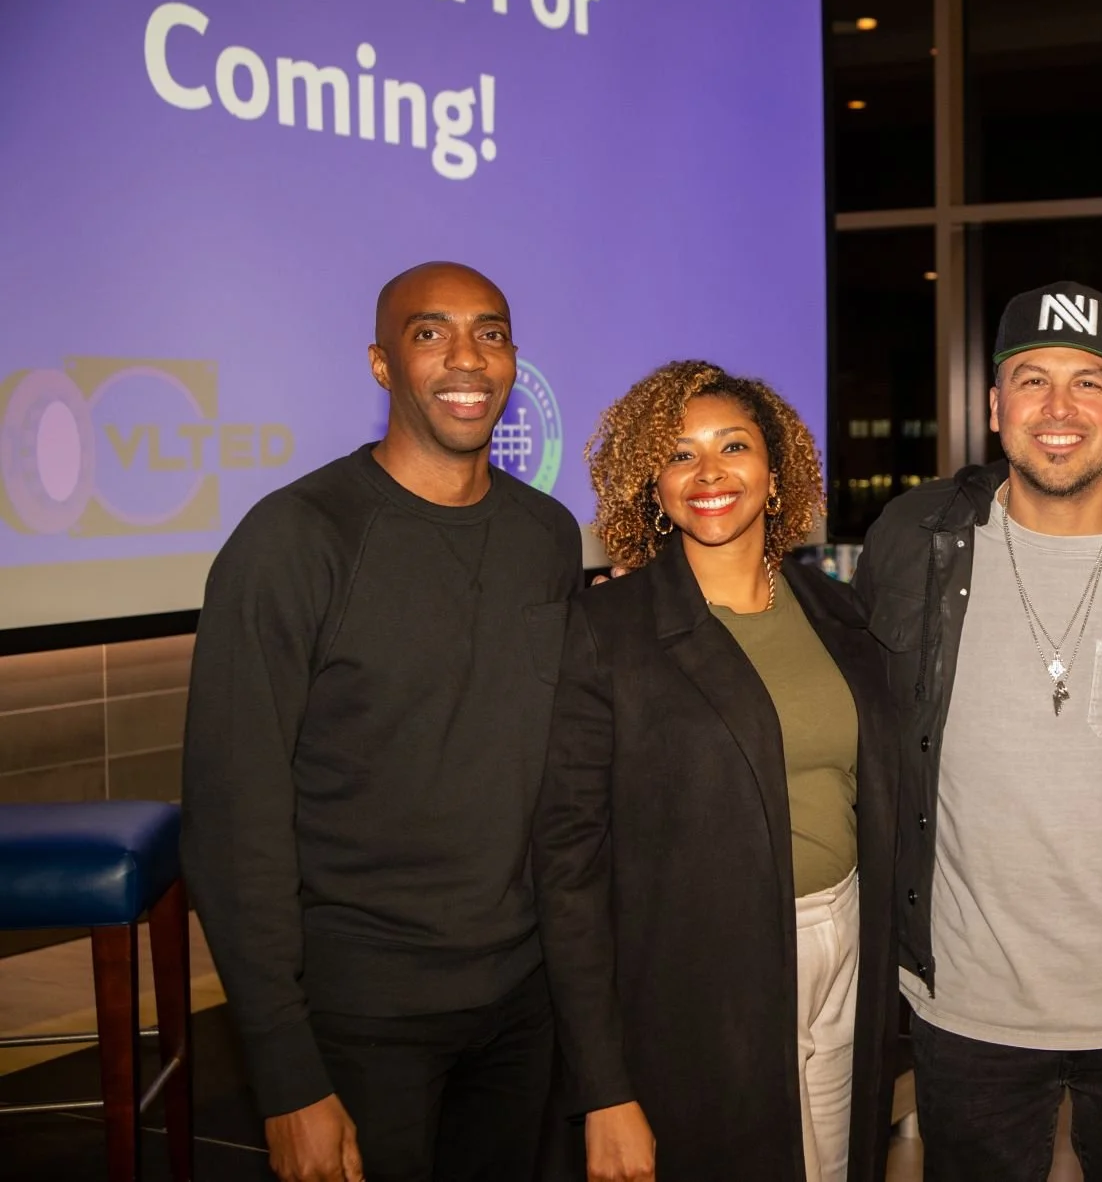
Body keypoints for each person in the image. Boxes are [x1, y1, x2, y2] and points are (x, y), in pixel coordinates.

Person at [182, 263, 584, 1182]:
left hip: (525, 1003)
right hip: (362, 1014)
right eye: (430, 332)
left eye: (490, 332)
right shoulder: (292, 541)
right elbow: (233, 819)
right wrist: (284, 1074)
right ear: (380, 363)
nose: (467, 359)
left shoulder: (548, 537)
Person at [855, 282, 1102, 1182]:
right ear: (995, 406)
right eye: (1032, 380)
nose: (1059, 409)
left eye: (1089, 381)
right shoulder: (912, 542)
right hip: (965, 1009)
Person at [531, 361, 898, 1182]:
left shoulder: (836, 612)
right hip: (697, 979)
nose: (709, 473)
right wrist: (604, 1088)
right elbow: (568, 874)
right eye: (679, 454)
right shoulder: (605, 630)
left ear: (775, 471)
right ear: (650, 484)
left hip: (849, 945)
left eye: (733, 446)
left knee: (835, 1165)